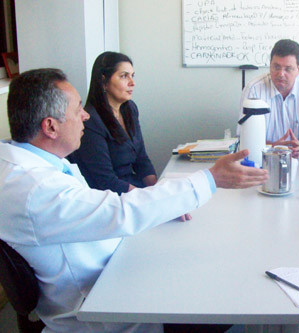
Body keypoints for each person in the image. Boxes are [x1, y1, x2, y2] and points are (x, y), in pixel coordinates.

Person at [0, 68, 268, 332]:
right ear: (50, 126)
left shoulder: (26, 164)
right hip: (101, 309)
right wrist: (211, 179)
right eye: (77, 109)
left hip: (110, 271)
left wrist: (166, 204)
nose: (85, 116)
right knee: (227, 292)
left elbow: (97, 204)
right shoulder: (35, 189)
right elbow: (117, 212)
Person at [69, 52, 156, 195]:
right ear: (104, 81)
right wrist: (149, 199)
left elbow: (142, 159)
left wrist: (157, 190)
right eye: (124, 76)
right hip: (112, 198)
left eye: (132, 76)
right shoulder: (90, 121)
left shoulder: (130, 109)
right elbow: (105, 181)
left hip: (135, 191)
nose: (132, 83)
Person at [237, 39, 299, 158]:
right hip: (264, 158)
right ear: (270, 66)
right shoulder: (253, 89)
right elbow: (243, 137)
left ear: (298, 69)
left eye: (288, 69)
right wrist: (273, 146)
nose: (281, 74)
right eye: (276, 67)